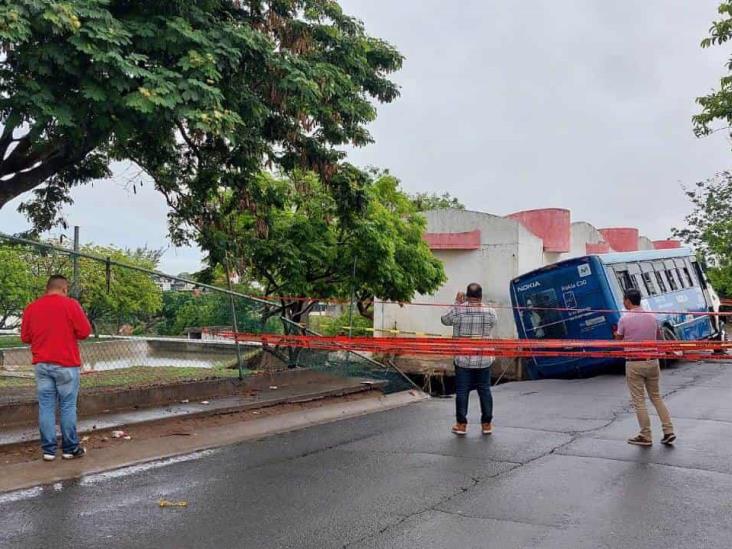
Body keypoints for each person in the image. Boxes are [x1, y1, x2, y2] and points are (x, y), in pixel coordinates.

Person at [21, 275, 92, 461]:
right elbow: (84, 332)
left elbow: (25, 337)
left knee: (46, 406)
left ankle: (48, 450)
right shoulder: (71, 305)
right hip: (66, 365)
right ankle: (70, 449)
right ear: (64, 289)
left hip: (42, 365)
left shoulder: (31, 308)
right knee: (67, 406)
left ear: (47, 288)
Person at [614, 288, 676, 447]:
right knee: (656, 397)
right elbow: (658, 338)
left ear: (628, 300)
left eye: (624, 300)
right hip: (653, 361)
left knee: (639, 400)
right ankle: (668, 430)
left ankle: (645, 435)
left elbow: (618, 340)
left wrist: (616, 334)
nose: (623, 302)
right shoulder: (652, 317)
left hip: (634, 362)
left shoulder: (624, 319)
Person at [441, 283, 498, 436]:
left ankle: (461, 425)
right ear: (480, 296)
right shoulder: (490, 311)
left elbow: (444, 320)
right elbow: (493, 323)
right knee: (484, 390)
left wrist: (457, 303)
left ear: (466, 295)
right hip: (483, 358)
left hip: (463, 358)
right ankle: (486, 424)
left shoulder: (459, 310)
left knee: (462, 391)